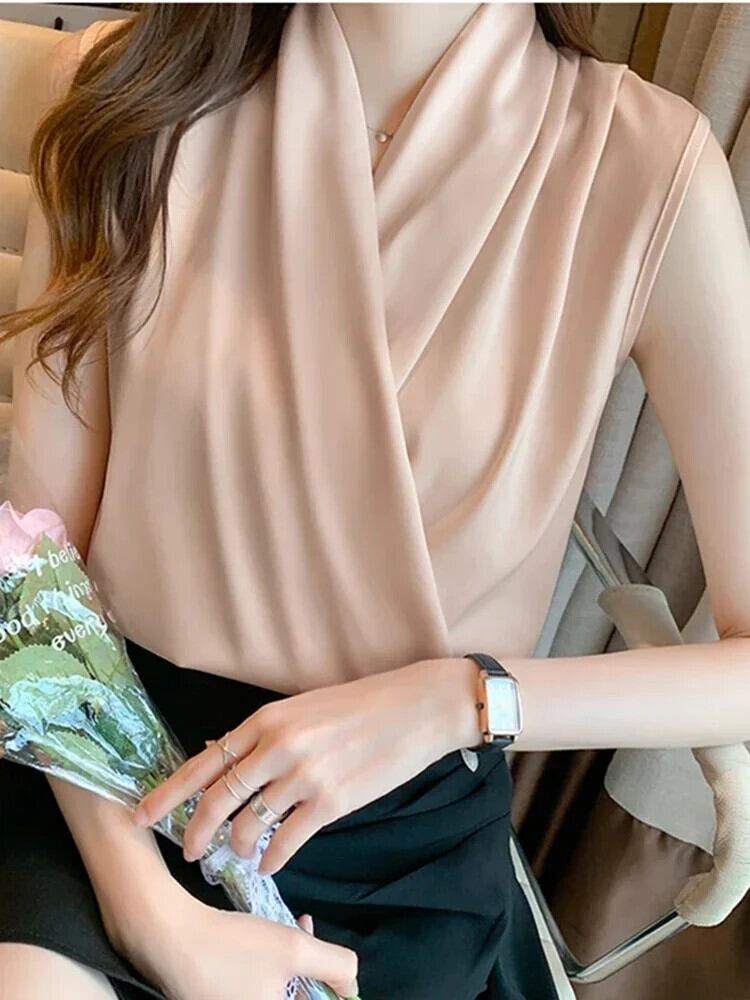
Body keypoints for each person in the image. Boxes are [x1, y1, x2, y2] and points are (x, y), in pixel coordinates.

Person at [1, 4, 749, 1000]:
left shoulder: (650, 170)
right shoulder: (129, 86)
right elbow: (30, 563)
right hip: (108, 776)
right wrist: (150, 914)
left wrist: (467, 700)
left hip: (405, 845)